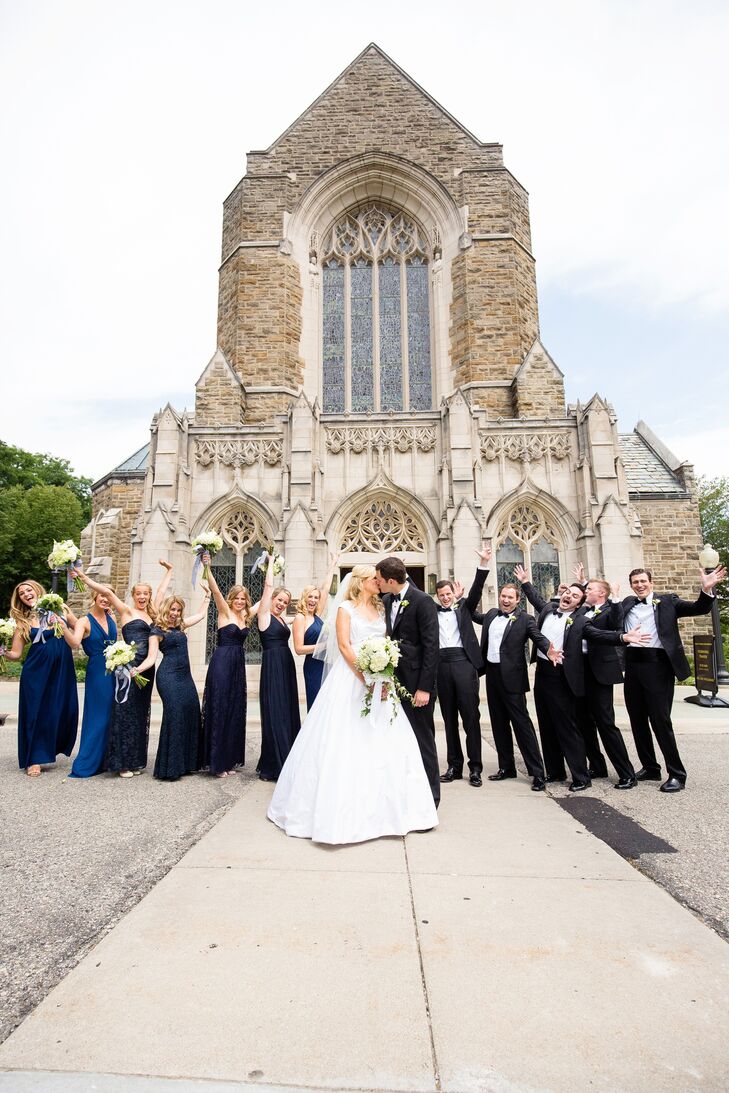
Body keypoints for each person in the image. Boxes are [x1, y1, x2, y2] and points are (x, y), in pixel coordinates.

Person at [267, 565, 438, 843]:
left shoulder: (382, 606)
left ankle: (392, 809)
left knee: (386, 739)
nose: (378, 582)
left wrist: (382, 674)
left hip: (381, 677)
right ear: (360, 582)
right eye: (374, 578)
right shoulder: (345, 608)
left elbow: (389, 640)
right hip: (350, 678)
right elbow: (345, 646)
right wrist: (365, 677)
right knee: (344, 739)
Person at [589, 565, 726, 793]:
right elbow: (611, 621)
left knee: (661, 721)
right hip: (633, 665)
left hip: (658, 666)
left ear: (651, 582)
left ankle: (677, 774)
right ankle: (650, 767)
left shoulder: (668, 601)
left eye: (643, 581)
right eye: (635, 583)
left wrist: (707, 589)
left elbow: (698, 608)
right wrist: (604, 595)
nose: (639, 585)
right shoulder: (627, 604)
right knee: (637, 719)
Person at [474, 581, 558, 790]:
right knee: (498, 723)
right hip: (492, 676)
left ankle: (537, 773)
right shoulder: (492, 615)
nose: (506, 600)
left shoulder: (526, 619)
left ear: (518, 600)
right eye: (503, 596)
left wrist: (549, 650)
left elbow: (538, 637)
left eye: (510, 597)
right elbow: (473, 615)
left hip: (513, 678)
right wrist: (460, 598)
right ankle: (506, 767)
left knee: (522, 726)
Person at [74, 568, 158, 777]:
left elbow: (162, 593)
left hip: (145, 668)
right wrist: (85, 578)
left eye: (146, 593)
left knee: (138, 714)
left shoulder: (149, 614)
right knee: (124, 714)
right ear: (133, 595)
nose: (142, 596)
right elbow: (109, 594)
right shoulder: (126, 611)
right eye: (138, 593)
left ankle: (133, 759)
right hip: (127, 666)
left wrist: (169, 571)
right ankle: (122, 763)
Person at [376, 556, 440, 806]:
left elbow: (431, 647)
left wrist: (424, 688)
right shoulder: (387, 599)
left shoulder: (423, 601)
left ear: (391, 580)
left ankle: (431, 799)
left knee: (423, 740)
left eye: (380, 579)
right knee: (399, 740)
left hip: (417, 685)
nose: (377, 583)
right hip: (394, 683)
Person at [135, 590, 211, 781]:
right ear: (165, 609)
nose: (175, 613)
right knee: (175, 715)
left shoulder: (181, 626)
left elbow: (201, 615)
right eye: (172, 609)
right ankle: (170, 766)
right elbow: (152, 658)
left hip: (185, 677)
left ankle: (188, 763)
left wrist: (207, 597)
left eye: (178, 610)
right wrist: (137, 669)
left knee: (192, 711)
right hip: (168, 677)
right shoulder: (157, 631)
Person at [7, 580, 78, 776]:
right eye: (21, 594)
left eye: (28, 590)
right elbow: (16, 653)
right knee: (35, 712)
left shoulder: (60, 608)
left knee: (62, 709)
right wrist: (3, 651)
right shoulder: (23, 621)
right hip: (36, 672)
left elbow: (80, 627)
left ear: (37, 590)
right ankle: (34, 759)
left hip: (61, 670)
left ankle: (54, 747)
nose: (26, 594)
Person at [435, 544, 490, 787]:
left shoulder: (464, 608)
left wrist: (483, 564)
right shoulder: (431, 611)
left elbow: (477, 590)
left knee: (470, 718)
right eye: (441, 595)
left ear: (454, 594)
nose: (445, 598)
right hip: (441, 666)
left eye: (448, 594)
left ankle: (475, 768)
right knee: (448, 719)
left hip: (464, 664)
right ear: (437, 596)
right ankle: (454, 766)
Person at [580, 578, 637, 789]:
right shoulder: (582, 611)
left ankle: (626, 773)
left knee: (606, 723)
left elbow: (615, 623)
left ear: (602, 594)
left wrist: (614, 598)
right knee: (585, 722)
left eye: (590, 589)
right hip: (581, 671)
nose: (586, 591)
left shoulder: (609, 609)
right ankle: (597, 765)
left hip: (600, 672)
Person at [199, 554, 251, 777]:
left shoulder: (247, 617)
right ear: (231, 599)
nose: (240, 601)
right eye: (237, 598)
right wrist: (207, 567)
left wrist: (270, 568)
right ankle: (216, 762)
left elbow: (266, 598)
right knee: (219, 708)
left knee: (233, 709)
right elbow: (217, 591)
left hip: (238, 666)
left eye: (243, 599)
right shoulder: (225, 611)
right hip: (221, 663)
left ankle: (228, 760)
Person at [61, 588, 118, 778]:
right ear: (95, 597)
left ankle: (105, 760)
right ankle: (87, 762)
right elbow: (76, 643)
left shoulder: (112, 618)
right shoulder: (84, 622)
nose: (106, 599)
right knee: (98, 716)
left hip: (115, 670)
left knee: (112, 714)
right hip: (97, 672)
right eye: (102, 595)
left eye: (109, 596)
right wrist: (62, 628)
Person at [256, 552, 301, 781]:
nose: (281, 604)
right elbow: (267, 587)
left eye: (285, 602)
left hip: (286, 664)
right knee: (275, 711)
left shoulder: (284, 619)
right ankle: (274, 763)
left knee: (287, 709)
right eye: (278, 600)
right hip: (273, 666)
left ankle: (291, 756)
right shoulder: (264, 616)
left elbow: (307, 615)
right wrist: (271, 564)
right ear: (271, 599)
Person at [292, 552, 340, 710]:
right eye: (310, 597)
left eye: (316, 598)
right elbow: (299, 649)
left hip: (326, 663)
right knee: (316, 704)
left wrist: (332, 564)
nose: (313, 600)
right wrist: (322, 646)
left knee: (328, 703)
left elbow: (325, 588)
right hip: (312, 667)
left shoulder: (317, 614)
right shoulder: (300, 618)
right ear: (304, 598)